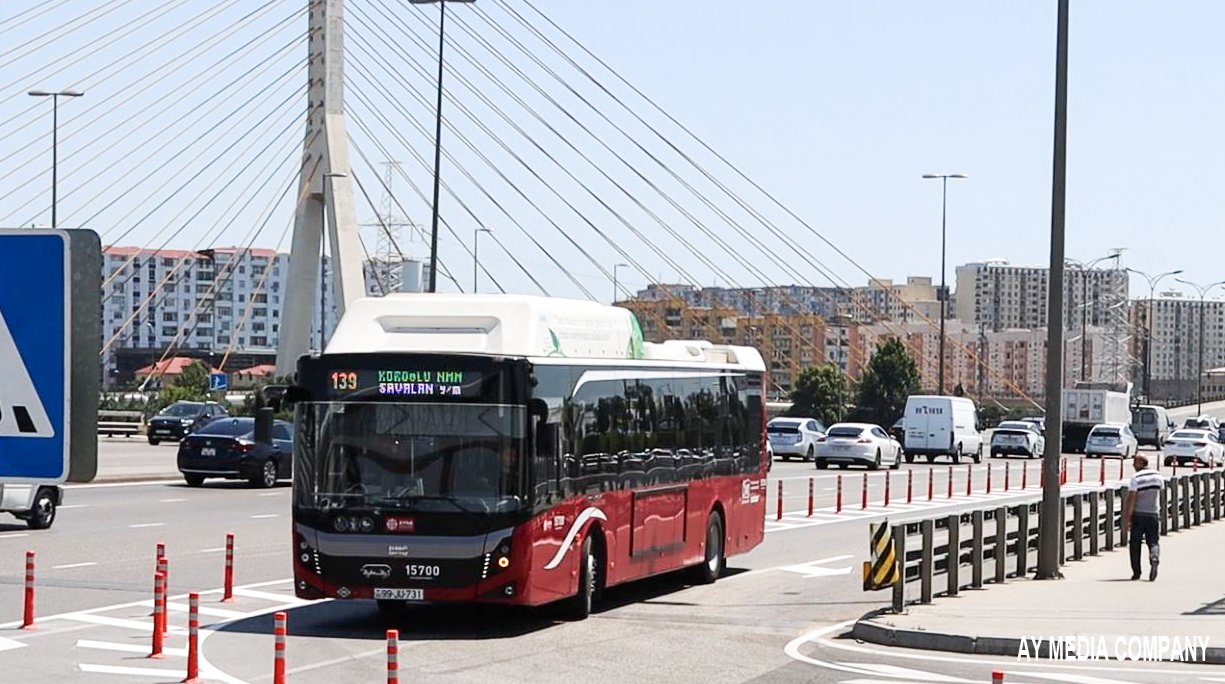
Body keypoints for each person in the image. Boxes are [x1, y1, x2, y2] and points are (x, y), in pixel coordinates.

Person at [1122, 454, 1164, 581]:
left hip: (1139, 514)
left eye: (1135, 462)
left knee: (1135, 543)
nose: (1133, 465)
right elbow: (1160, 494)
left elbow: (1131, 499)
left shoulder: (1136, 478)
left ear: (1141, 463)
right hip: (1153, 514)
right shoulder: (1158, 476)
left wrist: (1127, 518)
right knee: (1153, 541)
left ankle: (1136, 572)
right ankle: (1154, 557)